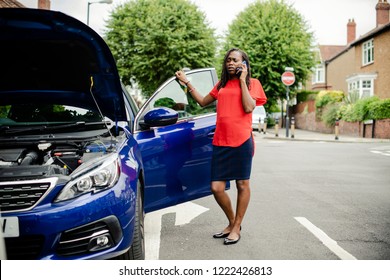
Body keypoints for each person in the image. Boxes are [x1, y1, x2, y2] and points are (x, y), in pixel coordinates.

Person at [175, 48, 267, 245]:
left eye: (235, 60)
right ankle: (233, 222)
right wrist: (187, 83)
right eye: (228, 60)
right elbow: (201, 102)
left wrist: (243, 80)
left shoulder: (253, 83)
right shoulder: (221, 85)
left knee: (242, 184)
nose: (230, 63)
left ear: (244, 63)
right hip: (221, 141)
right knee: (216, 188)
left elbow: (249, 107)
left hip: (242, 141)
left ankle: (236, 227)